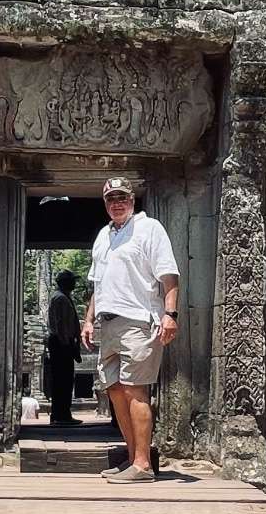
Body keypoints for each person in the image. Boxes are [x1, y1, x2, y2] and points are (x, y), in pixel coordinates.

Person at [82, 177, 179, 482]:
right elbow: (100, 282)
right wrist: (88, 319)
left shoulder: (149, 229)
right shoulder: (103, 235)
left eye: (122, 197)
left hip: (138, 320)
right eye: (111, 199)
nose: (117, 203)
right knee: (114, 391)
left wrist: (170, 314)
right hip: (108, 323)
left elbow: (168, 274)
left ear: (133, 200)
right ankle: (131, 457)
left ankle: (144, 464)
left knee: (135, 390)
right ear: (105, 203)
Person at [47, 268, 82, 425]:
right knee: (63, 379)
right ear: (65, 282)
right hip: (61, 343)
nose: (74, 283)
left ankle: (61, 413)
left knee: (65, 379)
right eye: (72, 280)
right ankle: (61, 415)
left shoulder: (63, 297)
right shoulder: (60, 298)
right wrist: (66, 343)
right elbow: (60, 323)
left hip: (63, 342)